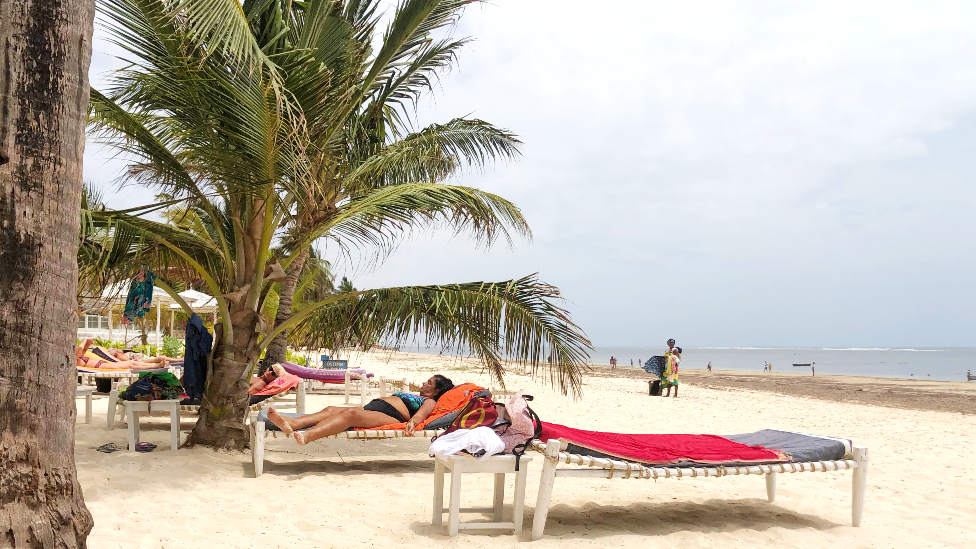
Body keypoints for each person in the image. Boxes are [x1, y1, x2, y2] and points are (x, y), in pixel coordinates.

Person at [267, 375, 455, 445]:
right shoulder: (419, 395)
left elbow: (420, 415)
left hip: (392, 417)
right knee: (332, 409)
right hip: (374, 410)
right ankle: (293, 423)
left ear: (437, 390)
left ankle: (309, 436)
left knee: (350, 414)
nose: (424, 383)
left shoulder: (429, 401)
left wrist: (413, 423)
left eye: (429, 382)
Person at [75, 338, 168, 370]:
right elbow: (80, 349)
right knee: (130, 365)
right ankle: (156, 366)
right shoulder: (75, 359)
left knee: (131, 362)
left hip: (102, 364)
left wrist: (87, 343)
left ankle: (155, 364)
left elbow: (83, 350)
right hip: (101, 366)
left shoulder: (78, 357)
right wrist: (83, 341)